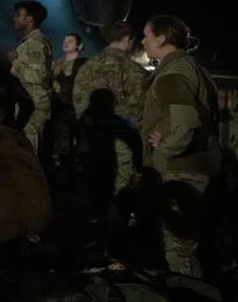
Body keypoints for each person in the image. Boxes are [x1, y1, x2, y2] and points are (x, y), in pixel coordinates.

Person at [140, 14, 222, 278]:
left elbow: (185, 124)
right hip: (198, 168)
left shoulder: (172, 74)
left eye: (147, 36)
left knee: (179, 252)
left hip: (182, 171)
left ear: (162, 38)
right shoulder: (191, 67)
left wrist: (166, 148)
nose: (143, 41)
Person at [72, 21, 147, 200]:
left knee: (98, 191)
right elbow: (138, 111)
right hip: (122, 146)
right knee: (121, 193)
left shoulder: (88, 66)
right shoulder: (133, 71)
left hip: (93, 141)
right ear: (128, 40)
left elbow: (78, 103)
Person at [7, 0, 53, 152]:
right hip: (26, 104)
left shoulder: (37, 43)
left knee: (30, 152)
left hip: (35, 106)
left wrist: (15, 62)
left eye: (19, 15)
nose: (15, 18)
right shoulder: (27, 42)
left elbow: (38, 76)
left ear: (30, 18)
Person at [48, 33, 89, 190]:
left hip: (79, 111)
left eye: (70, 41)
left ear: (78, 45)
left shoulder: (85, 64)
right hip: (61, 112)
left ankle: (87, 179)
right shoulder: (57, 65)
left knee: (84, 146)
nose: (66, 44)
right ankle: (68, 179)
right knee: (64, 147)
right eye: (65, 41)